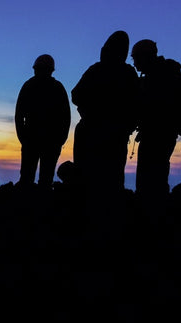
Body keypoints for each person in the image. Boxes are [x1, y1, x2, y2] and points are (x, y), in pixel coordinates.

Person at [71, 30, 139, 235]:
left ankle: (89, 223)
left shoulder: (97, 70)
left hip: (94, 134)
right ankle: (107, 226)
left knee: (91, 179)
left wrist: (92, 110)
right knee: (111, 180)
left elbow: (76, 95)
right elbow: (137, 105)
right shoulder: (127, 73)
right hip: (112, 137)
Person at [131, 39, 181, 221]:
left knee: (150, 179)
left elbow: (154, 108)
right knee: (157, 175)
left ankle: (151, 220)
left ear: (145, 56)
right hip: (162, 134)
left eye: (136, 58)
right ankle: (155, 217)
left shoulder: (158, 77)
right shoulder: (161, 74)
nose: (134, 63)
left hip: (157, 135)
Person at [14, 54, 71, 189]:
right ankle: (39, 206)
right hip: (43, 141)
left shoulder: (30, 86)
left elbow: (18, 115)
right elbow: (66, 117)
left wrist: (23, 138)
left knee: (30, 179)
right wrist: (60, 139)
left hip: (38, 141)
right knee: (42, 180)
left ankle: (29, 206)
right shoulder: (57, 88)